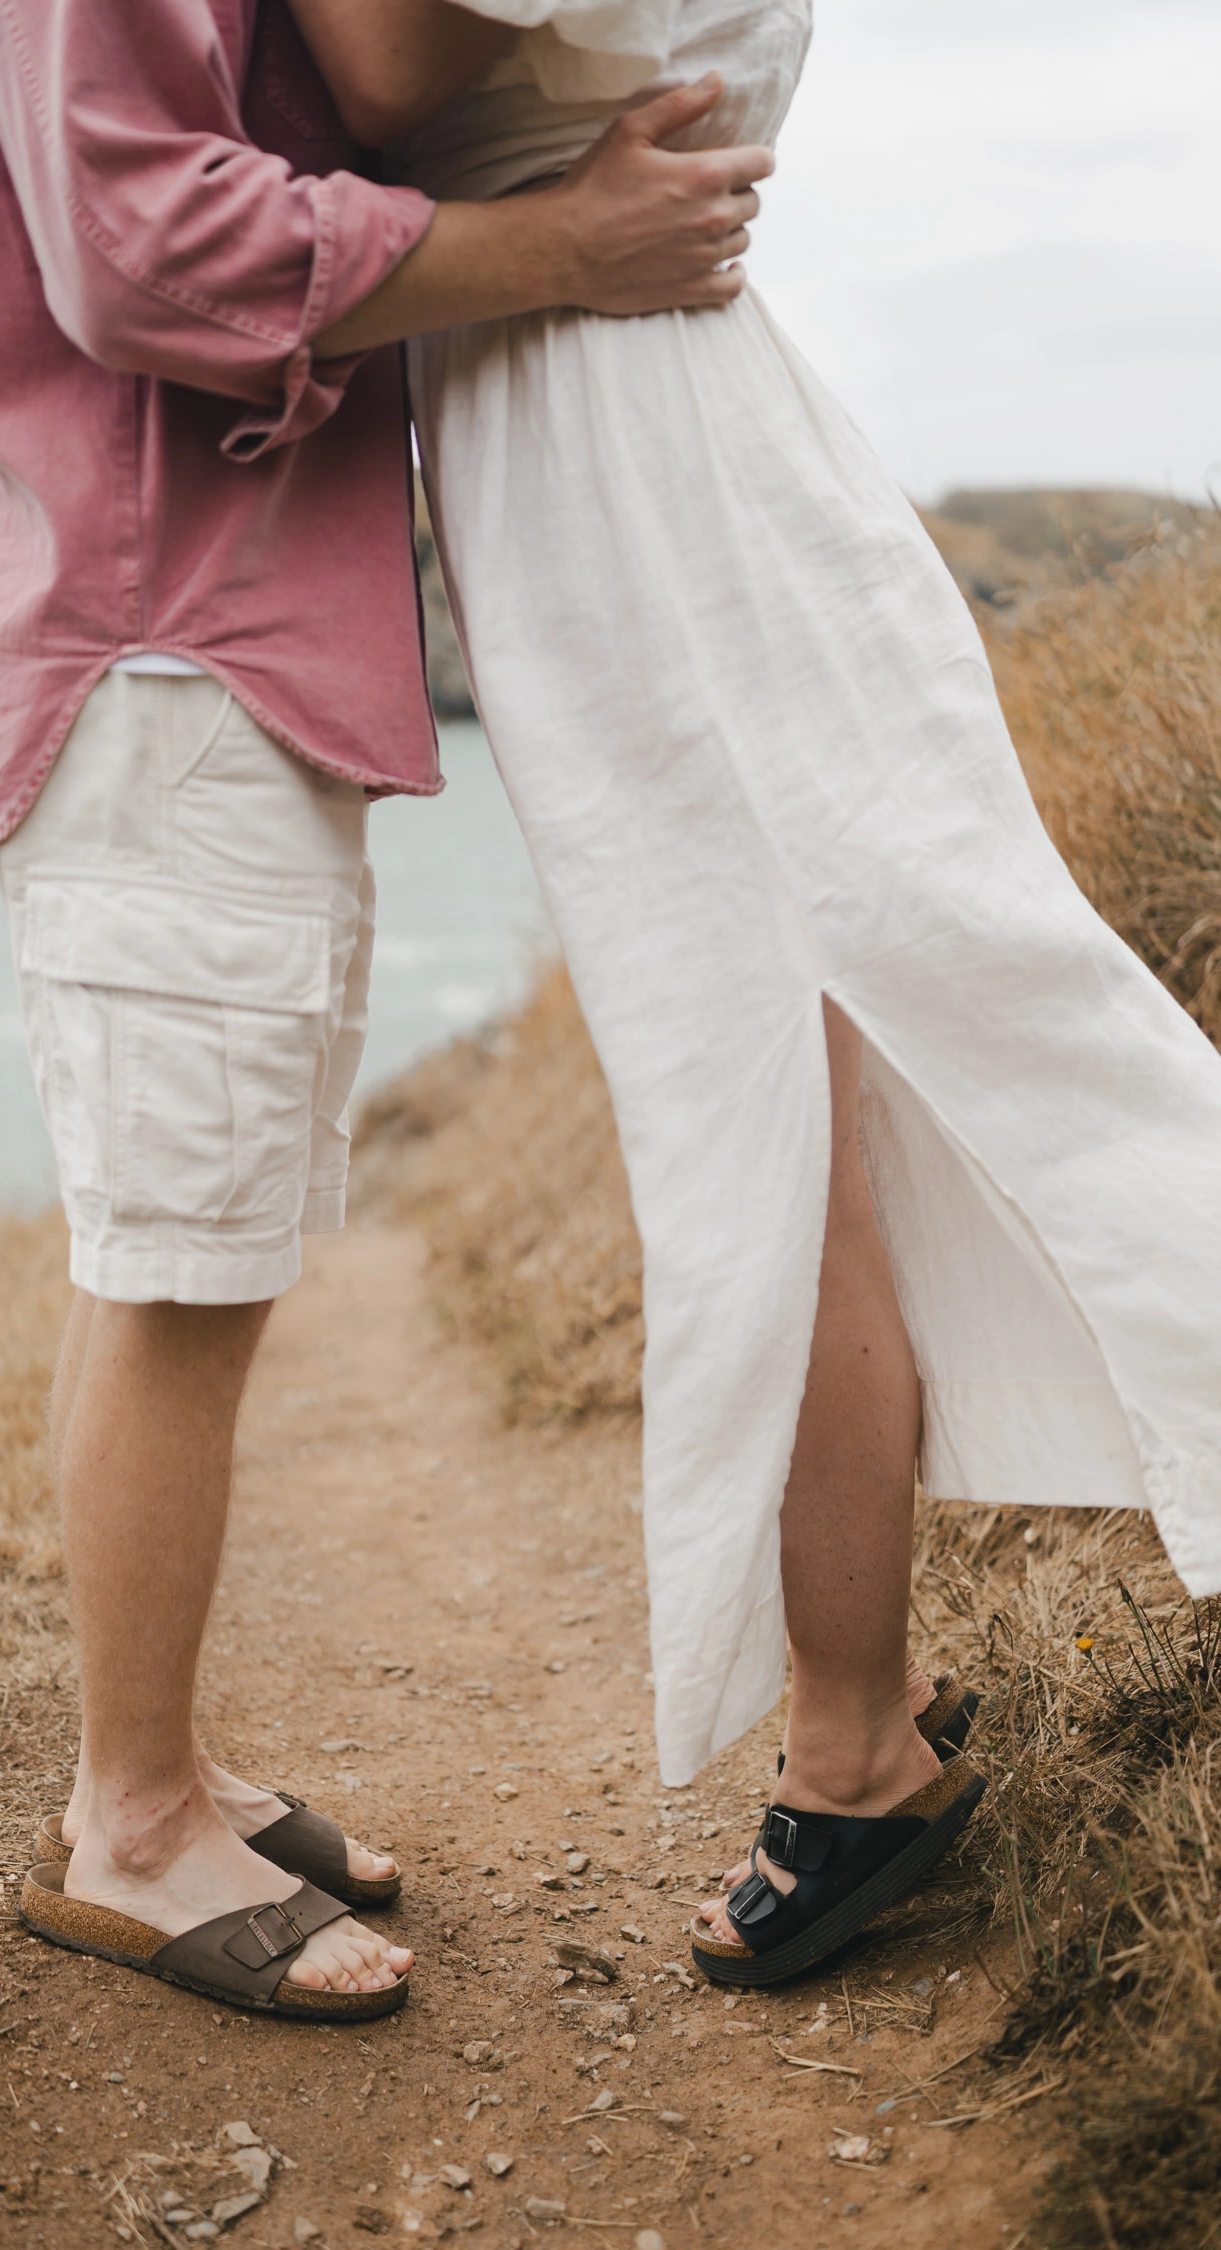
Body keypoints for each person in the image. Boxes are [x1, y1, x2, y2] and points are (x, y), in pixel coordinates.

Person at [0, 0, 771, 2019]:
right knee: (181, 1259)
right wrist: (562, 246)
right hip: (153, 632)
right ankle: (129, 1822)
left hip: (198, 629)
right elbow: (143, 253)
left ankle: (160, 1761)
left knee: (194, 1246)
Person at [285, 0, 1221, 1986]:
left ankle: (860, 1753)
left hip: (627, 459)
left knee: (771, 1136)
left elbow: (375, 72)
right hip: (646, 431)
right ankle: (857, 1707)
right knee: (835, 1097)